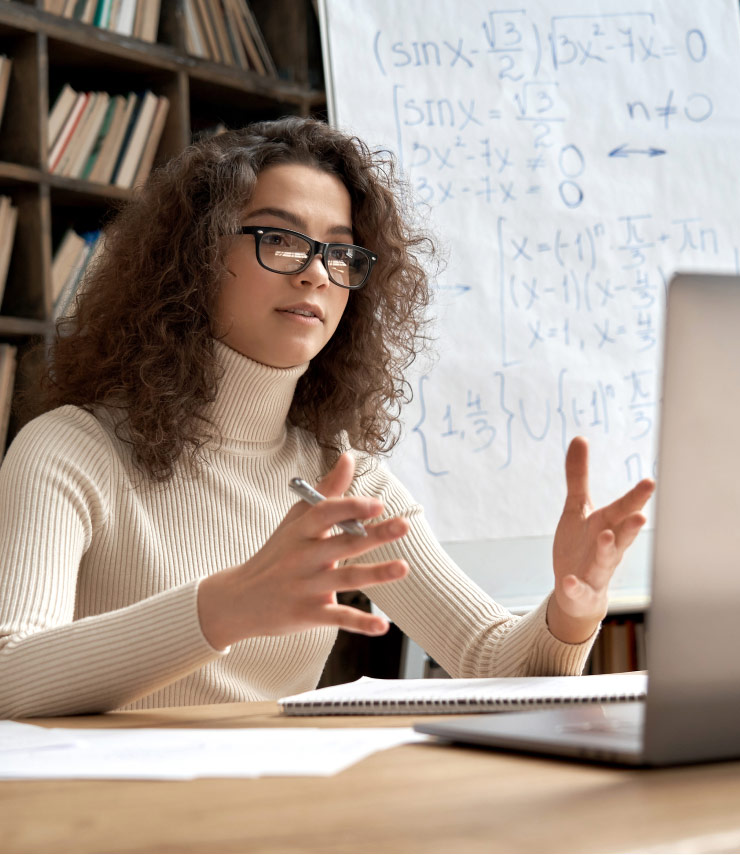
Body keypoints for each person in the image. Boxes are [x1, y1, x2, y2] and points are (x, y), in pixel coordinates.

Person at [0, 117, 654, 718]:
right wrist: (223, 607)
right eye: (280, 239)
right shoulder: (69, 449)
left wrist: (572, 605)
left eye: (340, 253)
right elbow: (9, 676)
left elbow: (490, 659)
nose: (316, 272)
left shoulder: (347, 481)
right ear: (196, 257)